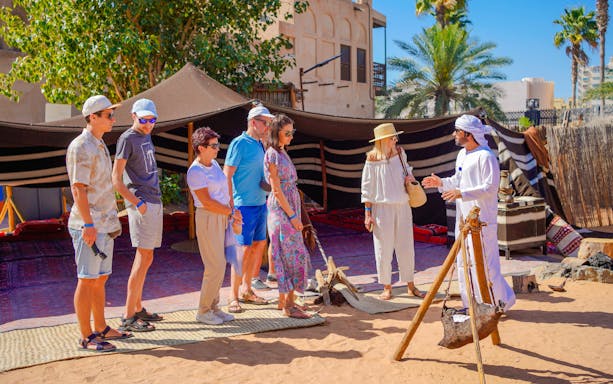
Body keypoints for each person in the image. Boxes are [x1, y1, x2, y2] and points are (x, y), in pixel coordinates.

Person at [422, 114, 516, 311]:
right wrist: (441, 183)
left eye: (457, 131)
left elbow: (490, 188)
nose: (454, 134)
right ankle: (471, 306)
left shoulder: (486, 156)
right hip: (463, 220)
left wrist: (461, 193)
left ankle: (500, 303)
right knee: (464, 264)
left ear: (468, 134)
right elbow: (458, 180)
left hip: (482, 220)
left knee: (486, 266)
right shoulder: (462, 155)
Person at [67, 95, 131, 352]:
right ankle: (86, 336)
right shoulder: (81, 146)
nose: (113, 119)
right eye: (108, 115)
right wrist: (88, 225)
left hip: (104, 222)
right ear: (92, 117)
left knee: (101, 277)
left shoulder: (99, 143)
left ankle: (101, 327)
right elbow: (78, 189)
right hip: (89, 224)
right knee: (87, 278)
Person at [112, 98, 163, 332]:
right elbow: (116, 178)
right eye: (143, 119)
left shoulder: (146, 135)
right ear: (133, 116)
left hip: (153, 200)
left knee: (148, 257)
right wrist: (137, 202)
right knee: (142, 258)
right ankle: (128, 315)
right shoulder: (127, 138)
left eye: (152, 120)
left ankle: (138, 307)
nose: (148, 124)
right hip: (142, 202)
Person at [361, 123, 425, 301]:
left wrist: (410, 179)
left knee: (406, 247)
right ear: (382, 140)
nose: (395, 140)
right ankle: (386, 286)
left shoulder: (401, 153)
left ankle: (410, 285)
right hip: (381, 209)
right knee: (383, 248)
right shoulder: (372, 159)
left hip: (403, 205)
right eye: (392, 137)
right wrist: (368, 214)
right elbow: (367, 188)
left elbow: (408, 172)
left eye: (395, 137)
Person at [186, 127, 242, 325]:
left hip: (222, 216)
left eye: (217, 145)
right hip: (209, 218)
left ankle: (213, 306)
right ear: (201, 148)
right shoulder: (195, 171)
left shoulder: (214, 165)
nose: (218, 149)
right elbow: (206, 201)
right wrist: (230, 212)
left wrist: (231, 211)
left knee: (221, 265)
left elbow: (224, 191)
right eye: (214, 146)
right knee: (215, 265)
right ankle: (203, 310)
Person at [223, 105, 274, 313]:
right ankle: (232, 296)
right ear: (254, 122)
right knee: (241, 251)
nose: (268, 126)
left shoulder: (262, 144)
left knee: (258, 245)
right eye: (265, 122)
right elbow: (227, 174)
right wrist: (231, 206)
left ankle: (247, 289)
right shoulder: (239, 143)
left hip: (261, 203)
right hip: (243, 205)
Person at [264, 114, 311, 319]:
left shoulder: (282, 151)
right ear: (277, 133)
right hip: (282, 209)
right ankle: (289, 306)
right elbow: (276, 189)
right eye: (287, 132)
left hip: (289, 206)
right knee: (290, 255)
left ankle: (285, 301)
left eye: (293, 132)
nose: (291, 136)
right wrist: (292, 215)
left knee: (291, 253)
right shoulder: (273, 154)